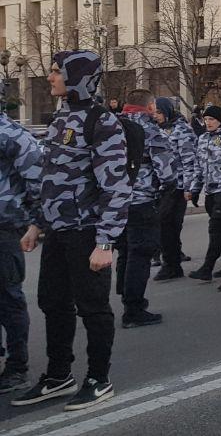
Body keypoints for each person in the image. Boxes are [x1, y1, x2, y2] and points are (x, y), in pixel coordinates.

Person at [14, 51, 128, 411]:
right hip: (58, 230)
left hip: (87, 231)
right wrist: (37, 223)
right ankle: (58, 375)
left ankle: (98, 379)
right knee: (52, 302)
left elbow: (116, 187)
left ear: (77, 77)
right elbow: (49, 179)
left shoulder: (101, 121)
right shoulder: (61, 117)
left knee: (92, 307)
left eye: (56, 72)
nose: (50, 77)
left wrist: (105, 242)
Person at [115, 89, 175, 326]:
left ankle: (125, 293)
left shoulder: (111, 127)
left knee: (124, 251)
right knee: (140, 254)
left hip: (113, 203)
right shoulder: (150, 130)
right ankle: (133, 308)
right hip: (140, 201)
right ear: (150, 107)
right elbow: (166, 172)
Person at [0, 83, 41, 395]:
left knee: (8, 297)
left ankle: (17, 367)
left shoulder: (14, 135)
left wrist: (36, 223)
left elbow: (38, 181)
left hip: (4, 228)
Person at [186, 106, 221, 281]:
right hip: (210, 190)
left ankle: (208, 266)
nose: (208, 123)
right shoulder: (203, 139)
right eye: (206, 119)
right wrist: (194, 189)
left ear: (220, 120)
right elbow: (198, 166)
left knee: (215, 227)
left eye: (212, 119)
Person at [153, 97, 197, 280]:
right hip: (161, 187)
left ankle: (171, 264)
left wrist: (189, 187)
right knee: (165, 226)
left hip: (176, 186)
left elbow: (189, 160)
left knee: (169, 225)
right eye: (154, 112)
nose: (156, 116)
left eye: (159, 112)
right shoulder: (156, 129)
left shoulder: (182, 130)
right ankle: (172, 263)